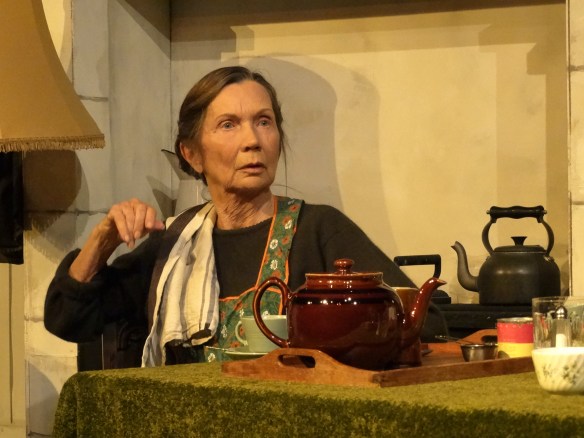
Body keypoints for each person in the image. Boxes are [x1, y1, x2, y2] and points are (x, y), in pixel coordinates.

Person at [44, 66, 447, 367]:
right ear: (192, 154)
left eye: (263, 122)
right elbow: (67, 320)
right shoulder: (177, 245)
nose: (252, 140)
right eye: (228, 125)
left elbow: (424, 324)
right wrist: (102, 241)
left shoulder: (319, 230)